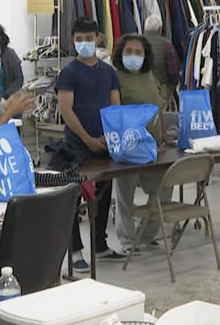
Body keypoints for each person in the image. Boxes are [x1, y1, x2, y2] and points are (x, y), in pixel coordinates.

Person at [55, 17, 124, 272]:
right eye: (79, 39)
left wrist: (109, 136)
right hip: (76, 147)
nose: (84, 43)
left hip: (105, 144)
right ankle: (74, 251)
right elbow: (66, 110)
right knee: (73, 196)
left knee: (104, 194)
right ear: (73, 41)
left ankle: (100, 244)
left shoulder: (109, 72)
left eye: (88, 38)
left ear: (98, 38)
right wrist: (87, 139)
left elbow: (115, 105)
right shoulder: (69, 73)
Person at [111, 35, 172, 253]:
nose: (133, 56)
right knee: (125, 196)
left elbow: (158, 107)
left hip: (153, 146)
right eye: (129, 52)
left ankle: (145, 234)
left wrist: (163, 134)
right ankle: (127, 240)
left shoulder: (150, 76)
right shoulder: (115, 77)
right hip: (129, 147)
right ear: (120, 53)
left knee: (164, 187)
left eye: (138, 52)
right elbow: (115, 112)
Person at [143, 15, 182, 110]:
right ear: (160, 29)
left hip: (141, 90)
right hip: (161, 91)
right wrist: (172, 89)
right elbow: (174, 71)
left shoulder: (135, 43)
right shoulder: (166, 44)